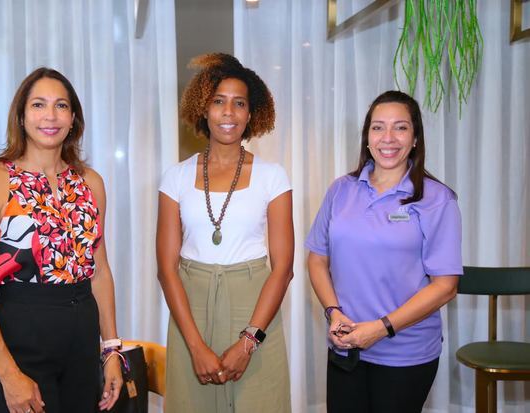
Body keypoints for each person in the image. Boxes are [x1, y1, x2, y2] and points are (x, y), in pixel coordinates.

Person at [0, 67, 122, 413]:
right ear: (21, 115)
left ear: (73, 117)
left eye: (61, 105)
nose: (50, 115)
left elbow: (100, 271)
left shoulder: (90, 182)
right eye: (38, 105)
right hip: (20, 339)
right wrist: (7, 373)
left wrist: (110, 350)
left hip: (82, 338)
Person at [306, 90, 462, 413]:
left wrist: (380, 328)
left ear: (415, 138)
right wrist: (333, 312)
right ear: (367, 138)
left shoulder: (437, 199)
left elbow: (445, 286)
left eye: (400, 127)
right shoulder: (341, 190)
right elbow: (317, 259)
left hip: (405, 353)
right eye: (378, 127)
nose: (388, 138)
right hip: (345, 347)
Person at [156, 53, 294, 413]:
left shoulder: (273, 176)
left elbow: (283, 268)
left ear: (251, 114)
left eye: (239, 104)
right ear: (204, 108)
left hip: (255, 306)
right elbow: (167, 269)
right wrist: (196, 347)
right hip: (191, 309)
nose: (228, 113)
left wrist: (249, 341)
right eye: (218, 102)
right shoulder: (175, 177)